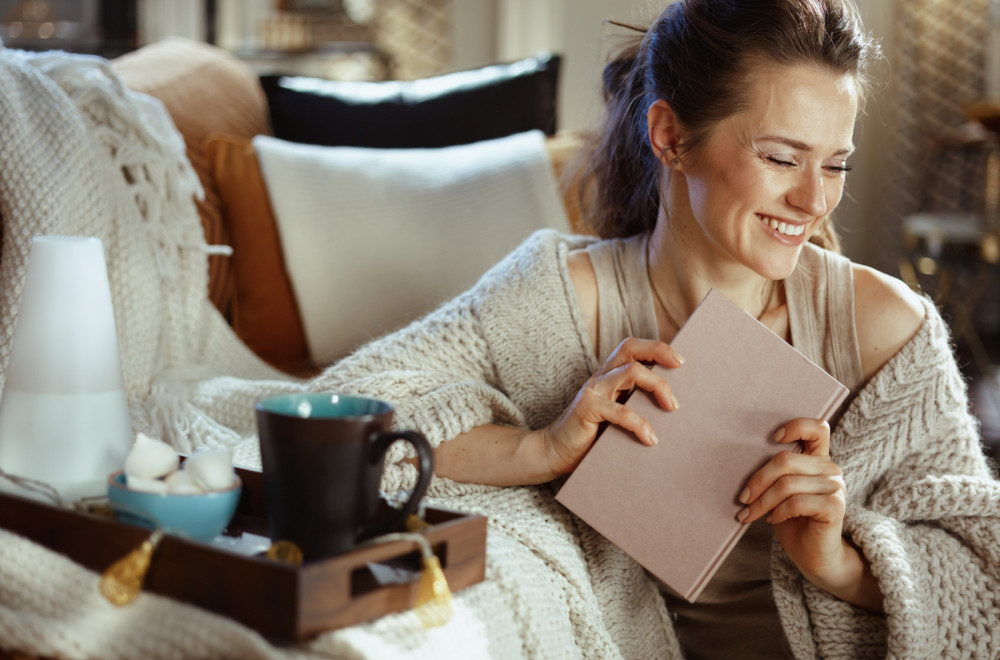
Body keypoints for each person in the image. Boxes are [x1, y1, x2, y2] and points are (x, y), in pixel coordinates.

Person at [310, 0, 1000, 656]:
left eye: (836, 164)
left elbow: (984, 576)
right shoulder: (559, 297)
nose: (814, 199)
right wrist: (539, 449)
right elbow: (338, 425)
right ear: (670, 136)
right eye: (782, 158)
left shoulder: (884, 332)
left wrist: (840, 563)